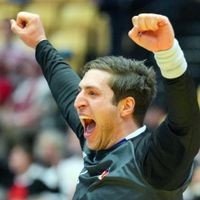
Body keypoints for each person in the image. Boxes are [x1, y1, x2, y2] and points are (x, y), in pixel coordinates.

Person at [10, 12, 200, 200]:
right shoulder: (96, 136)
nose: (78, 101)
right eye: (81, 91)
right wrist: (39, 42)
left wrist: (168, 53)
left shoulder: (154, 159)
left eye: (92, 93)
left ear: (126, 106)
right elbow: (64, 86)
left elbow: (185, 123)